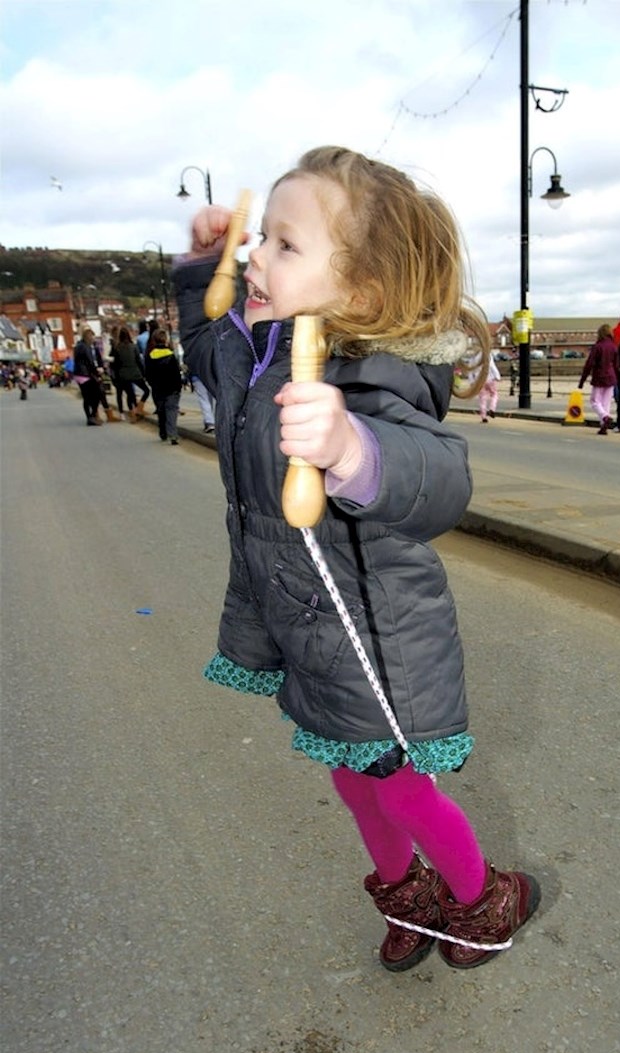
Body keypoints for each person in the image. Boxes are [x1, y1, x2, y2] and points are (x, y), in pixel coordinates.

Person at [174, 145, 541, 972]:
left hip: (379, 643)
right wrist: (201, 261)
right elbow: (202, 340)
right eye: (259, 237)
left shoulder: (376, 376)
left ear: (363, 291)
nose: (255, 257)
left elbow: (440, 477)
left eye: (285, 245)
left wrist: (352, 449)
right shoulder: (253, 347)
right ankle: (406, 896)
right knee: (350, 776)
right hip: (303, 622)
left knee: (399, 782)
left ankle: (482, 900)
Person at [578, 323, 619, 434]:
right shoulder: (614, 346)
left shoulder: (598, 346)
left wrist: (582, 380)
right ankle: (603, 426)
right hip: (611, 378)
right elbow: (616, 365)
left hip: (599, 377)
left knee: (595, 401)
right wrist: (617, 379)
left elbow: (589, 364)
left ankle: (605, 417)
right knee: (606, 403)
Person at [145, 330, 183, 443]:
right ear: (165, 340)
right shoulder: (171, 355)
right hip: (172, 388)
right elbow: (176, 373)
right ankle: (173, 434)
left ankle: (163, 432)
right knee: (172, 410)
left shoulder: (150, 356)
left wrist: (152, 384)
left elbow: (148, 373)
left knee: (161, 411)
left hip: (158, 388)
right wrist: (179, 386)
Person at [112, 326, 150, 418]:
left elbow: (116, 365)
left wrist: (116, 377)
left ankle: (133, 413)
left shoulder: (117, 348)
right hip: (135, 373)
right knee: (146, 391)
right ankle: (139, 408)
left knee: (130, 394)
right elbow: (139, 361)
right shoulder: (133, 347)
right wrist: (144, 373)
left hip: (123, 375)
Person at [72, 327, 105, 425]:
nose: (93, 338)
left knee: (88, 396)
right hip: (85, 374)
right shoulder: (85, 347)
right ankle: (91, 416)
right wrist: (97, 372)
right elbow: (90, 362)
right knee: (97, 394)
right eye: (92, 336)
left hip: (80, 374)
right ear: (88, 337)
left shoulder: (80, 346)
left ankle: (91, 417)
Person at [478, 351, 501, 422]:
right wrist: (497, 376)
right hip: (490, 379)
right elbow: (492, 366)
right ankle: (492, 408)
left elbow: (472, 371)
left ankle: (483, 416)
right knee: (494, 394)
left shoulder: (475, 358)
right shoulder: (487, 355)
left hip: (480, 380)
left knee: (482, 398)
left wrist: (472, 381)